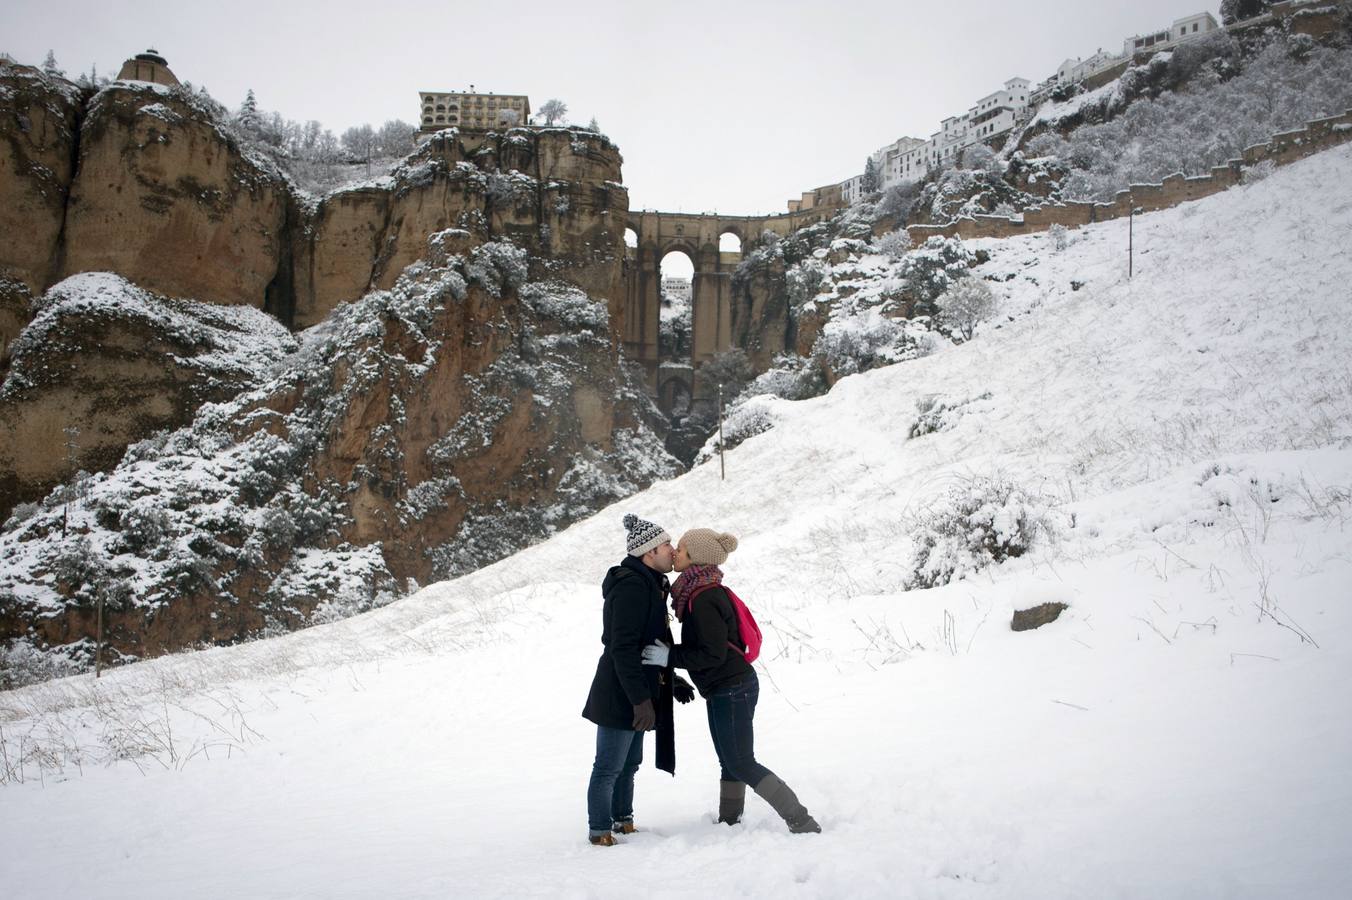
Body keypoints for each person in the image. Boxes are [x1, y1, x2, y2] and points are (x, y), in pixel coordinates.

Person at [642, 528, 821, 834]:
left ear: (696, 558)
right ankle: (729, 822)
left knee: (740, 761)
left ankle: (800, 819)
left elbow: (711, 654)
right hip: (725, 687)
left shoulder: (705, 597)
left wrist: (668, 656)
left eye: (682, 550)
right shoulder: (699, 591)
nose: (675, 553)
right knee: (730, 758)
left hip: (732, 688)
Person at [581, 513, 695, 846]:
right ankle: (599, 829)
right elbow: (623, 648)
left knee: (630, 763)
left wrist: (670, 680)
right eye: (666, 545)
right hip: (620, 690)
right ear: (648, 553)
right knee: (608, 766)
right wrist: (639, 700)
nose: (673, 551)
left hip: (640, 687)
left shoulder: (653, 585)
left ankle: (623, 821)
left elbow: (652, 643)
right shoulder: (631, 587)